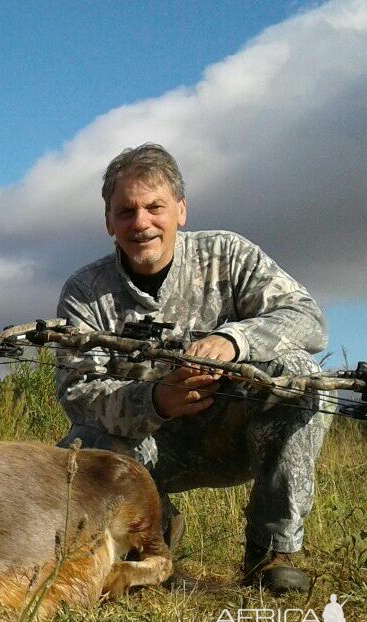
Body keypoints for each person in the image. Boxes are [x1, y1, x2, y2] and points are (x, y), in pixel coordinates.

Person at [55, 143, 331, 593]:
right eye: (125, 211)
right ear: (109, 222)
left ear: (181, 210)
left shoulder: (230, 254)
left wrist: (233, 340)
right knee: (81, 448)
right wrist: (157, 400)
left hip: (239, 436)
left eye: (154, 207)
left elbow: (308, 319)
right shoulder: (84, 292)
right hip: (148, 448)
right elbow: (78, 394)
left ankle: (272, 551)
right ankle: (151, 543)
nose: (140, 223)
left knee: (300, 372)